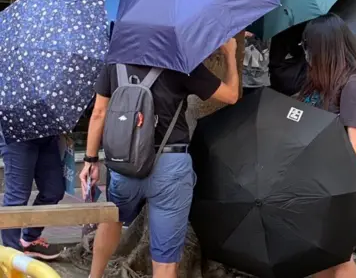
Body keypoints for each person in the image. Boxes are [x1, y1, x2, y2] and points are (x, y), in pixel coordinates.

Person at [80, 38, 240, 278]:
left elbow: (99, 113)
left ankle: (95, 276)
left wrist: (90, 159)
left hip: (124, 164)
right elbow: (231, 95)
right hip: (170, 166)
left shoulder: (115, 60)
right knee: (165, 259)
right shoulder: (181, 62)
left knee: (110, 220)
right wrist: (230, 54)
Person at [297, 14, 356, 278]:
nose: (305, 52)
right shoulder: (323, 81)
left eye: (308, 45)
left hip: (343, 183)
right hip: (322, 178)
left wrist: (336, 195)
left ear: (325, 47)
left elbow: (355, 148)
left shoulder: (355, 86)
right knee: (321, 256)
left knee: (338, 256)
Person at [0, 0, 65, 261]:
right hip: (16, 129)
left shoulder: (51, 39)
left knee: (54, 189)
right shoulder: (5, 39)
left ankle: (28, 238)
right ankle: (8, 252)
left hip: (46, 128)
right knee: (17, 195)